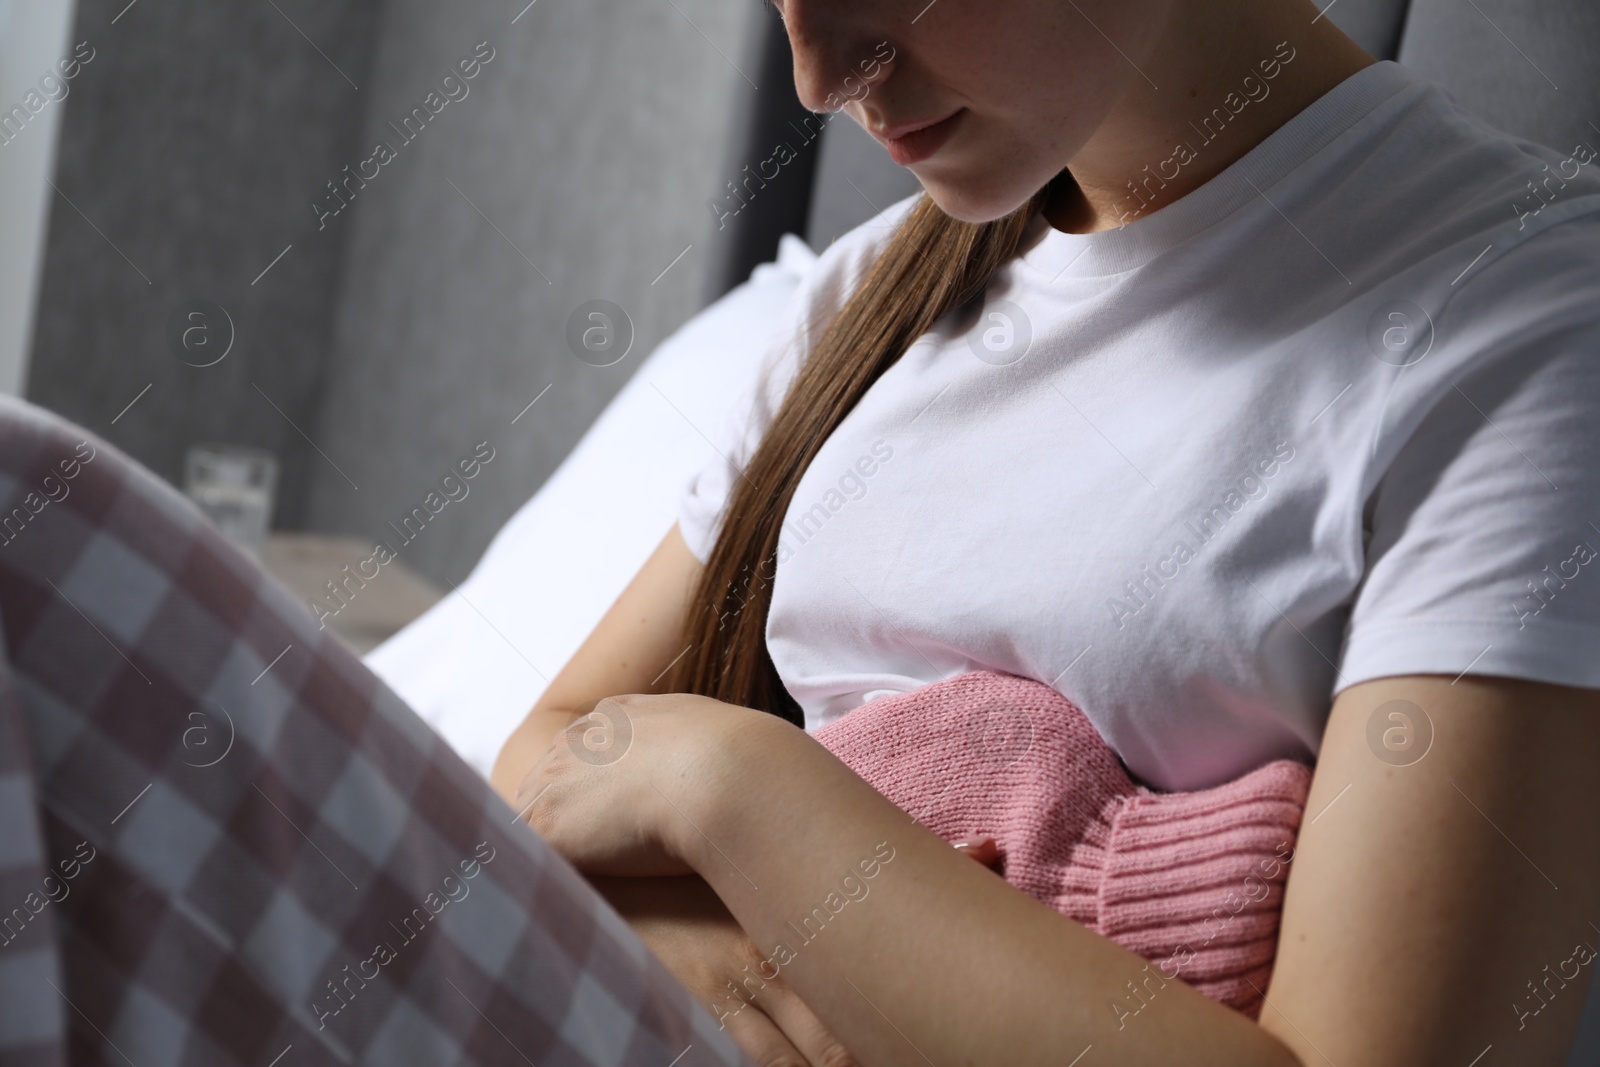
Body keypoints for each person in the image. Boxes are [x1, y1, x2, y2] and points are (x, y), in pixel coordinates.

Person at [490, 0, 1600, 1064]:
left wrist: (728, 785)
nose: (819, 78)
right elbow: (547, 754)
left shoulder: (1532, 338)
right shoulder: (868, 300)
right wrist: (692, 944)